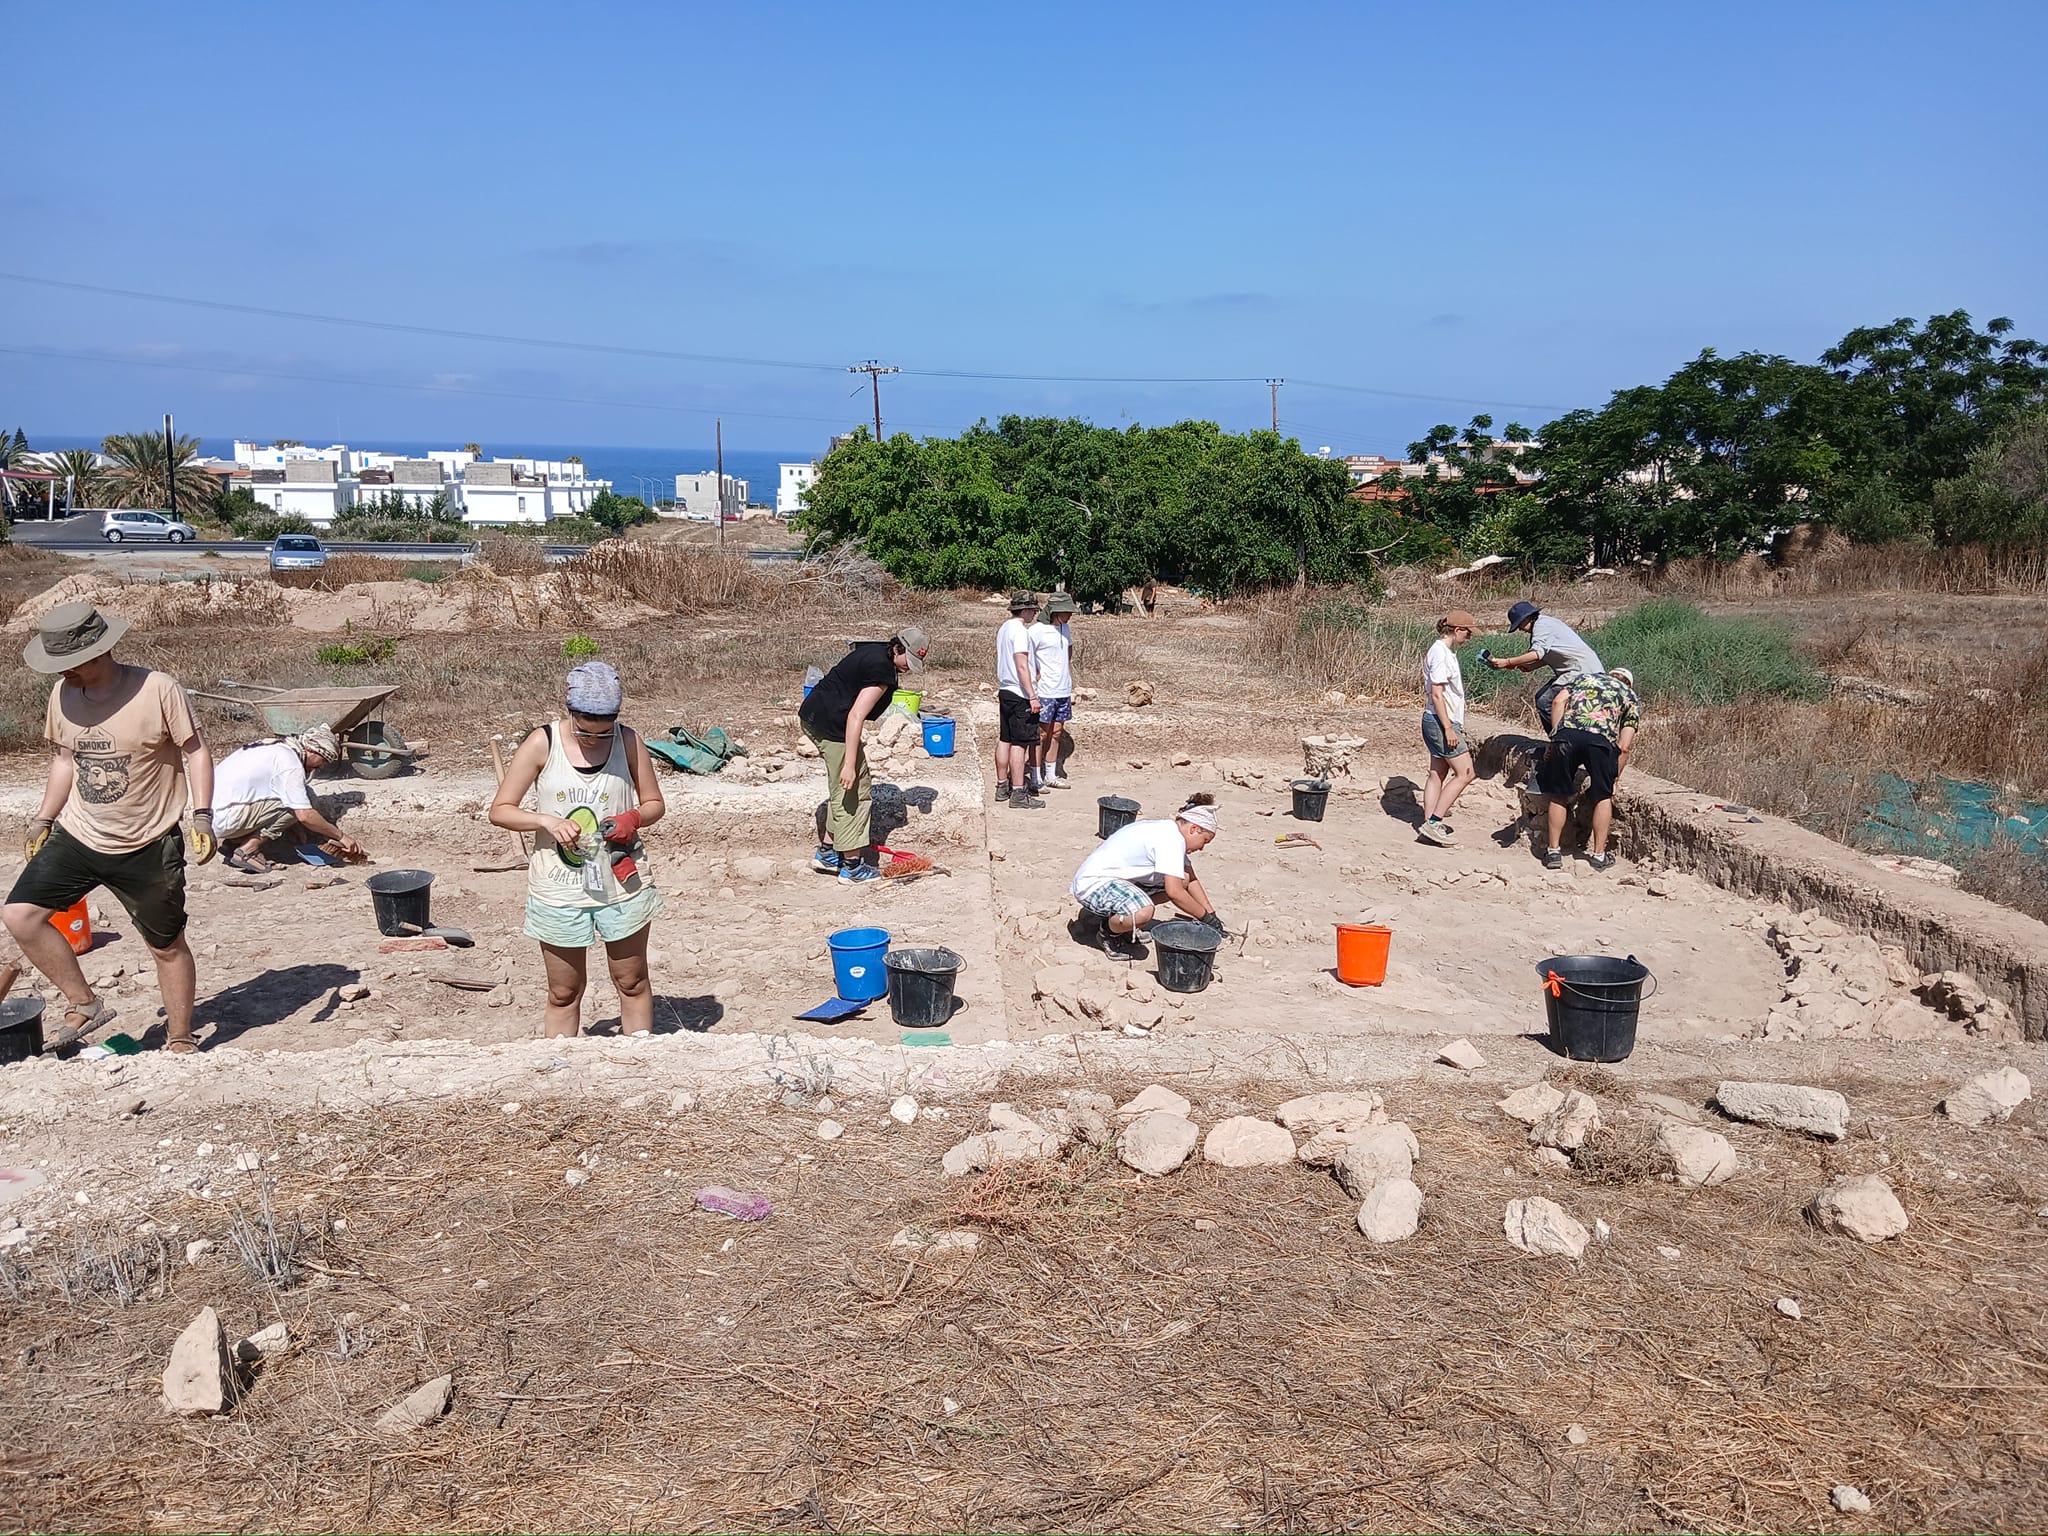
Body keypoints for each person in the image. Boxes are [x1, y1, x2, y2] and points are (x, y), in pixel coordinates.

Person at [3, 602, 216, 1053]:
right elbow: (64, 761)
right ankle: (85, 1001)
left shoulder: (157, 689)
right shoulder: (62, 695)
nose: (62, 675)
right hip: (79, 835)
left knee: (166, 945)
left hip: (148, 842)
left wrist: (202, 815)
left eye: (69, 664)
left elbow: (196, 751)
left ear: (98, 653)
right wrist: (44, 817)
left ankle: (180, 1037)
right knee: (20, 915)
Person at [490, 661, 667, 1037]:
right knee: (563, 990)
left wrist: (632, 818)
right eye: (585, 733)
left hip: (622, 885)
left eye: (603, 736)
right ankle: (561, 1069)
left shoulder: (629, 740)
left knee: (632, 981)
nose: (593, 741)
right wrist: (546, 822)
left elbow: (654, 803)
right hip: (559, 890)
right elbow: (501, 810)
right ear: (570, 713)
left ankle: (639, 1061)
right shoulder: (543, 742)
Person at [797, 628, 930, 883]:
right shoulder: (881, 672)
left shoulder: (876, 652)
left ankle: (828, 853)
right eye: (908, 660)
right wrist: (848, 764)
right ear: (897, 649)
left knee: (851, 785)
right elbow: (856, 715)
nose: (908, 668)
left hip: (818, 716)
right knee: (852, 792)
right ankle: (852, 867)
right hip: (831, 726)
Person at [1069, 793, 1222, 956]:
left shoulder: (1169, 831)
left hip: (1113, 881)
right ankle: (1108, 933)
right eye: (1204, 841)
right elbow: (1175, 893)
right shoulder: (1171, 840)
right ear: (1194, 829)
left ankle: (1124, 921)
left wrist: (1212, 915)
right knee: (1143, 911)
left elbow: (1191, 881)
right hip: (1093, 884)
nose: (1202, 848)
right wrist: (1204, 917)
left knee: (1182, 879)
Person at [213, 723, 364, 871]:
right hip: (228, 819)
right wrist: (341, 836)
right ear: (313, 750)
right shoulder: (291, 764)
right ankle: (248, 850)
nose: (322, 766)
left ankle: (233, 843)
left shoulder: (274, 747)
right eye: (323, 760)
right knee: (303, 801)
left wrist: (292, 825)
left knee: (299, 796)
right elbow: (305, 815)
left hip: (214, 816)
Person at [1535, 666, 1641, 872]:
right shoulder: (1630, 696)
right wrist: (1614, 778)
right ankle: (1598, 855)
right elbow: (1624, 746)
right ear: (1628, 683)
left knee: (1558, 794)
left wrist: (1556, 736)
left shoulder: (1583, 679)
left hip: (1567, 737)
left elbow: (1557, 701)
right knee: (1603, 797)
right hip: (1600, 743)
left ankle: (1554, 852)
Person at [1484, 600, 1604, 733]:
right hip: (1582, 670)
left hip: (1581, 671)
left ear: (1527, 618)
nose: (1520, 629)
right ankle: (1562, 738)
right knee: (1544, 698)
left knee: (1544, 702)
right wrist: (1528, 666)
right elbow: (1549, 654)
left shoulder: (1542, 626)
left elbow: (1537, 653)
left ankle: (1560, 740)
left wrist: (1508, 661)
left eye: (1519, 625)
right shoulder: (1546, 623)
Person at [1418, 610, 1478, 846]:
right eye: (1468, 632)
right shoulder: (1441, 654)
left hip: (1436, 719)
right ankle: (1433, 823)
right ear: (1457, 630)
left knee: (1438, 773)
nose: (1469, 637)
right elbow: (1437, 693)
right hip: (1441, 721)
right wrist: (1448, 728)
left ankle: (1429, 823)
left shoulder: (1441, 651)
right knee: (1466, 773)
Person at [994, 591, 1045, 809]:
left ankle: (1001, 785)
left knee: (1005, 738)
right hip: (1019, 693)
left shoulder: (1004, 628)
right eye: (1033, 610)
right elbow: (1022, 664)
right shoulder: (1020, 632)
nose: (1034, 613)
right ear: (1025, 609)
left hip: (1005, 689)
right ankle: (1017, 792)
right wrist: (1032, 695)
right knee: (1020, 744)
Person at [1028, 591, 1077, 791]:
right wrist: (1036, 675)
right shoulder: (1036, 630)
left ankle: (1051, 774)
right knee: (1041, 734)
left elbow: (1069, 650)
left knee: (1056, 733)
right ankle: (1035, 776)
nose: (1070, 615)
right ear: (1056, 611)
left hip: (1063, 689)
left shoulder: (1065, 628)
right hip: (1046, 690)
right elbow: (1026, 655)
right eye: (1067, 611)